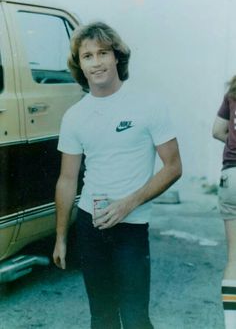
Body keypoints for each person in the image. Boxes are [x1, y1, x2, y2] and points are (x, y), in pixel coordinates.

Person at [53, 21, 182, 329]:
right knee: (102, 318)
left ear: (117, 57)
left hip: (132, 226)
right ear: (79, 65)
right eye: (87, 56)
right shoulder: (74, 116)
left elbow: (174, 167)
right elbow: (67, 179)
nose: (96, 63)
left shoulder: (148, 104)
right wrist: (60, 237)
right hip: (91, 224)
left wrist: (129, 203)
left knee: (136, 319)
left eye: (103, 53)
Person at [212, 76, 236, 329]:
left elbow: (217, 130)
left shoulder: (233, 89)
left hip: (232, 176)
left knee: (234, 259)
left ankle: (231, 325)